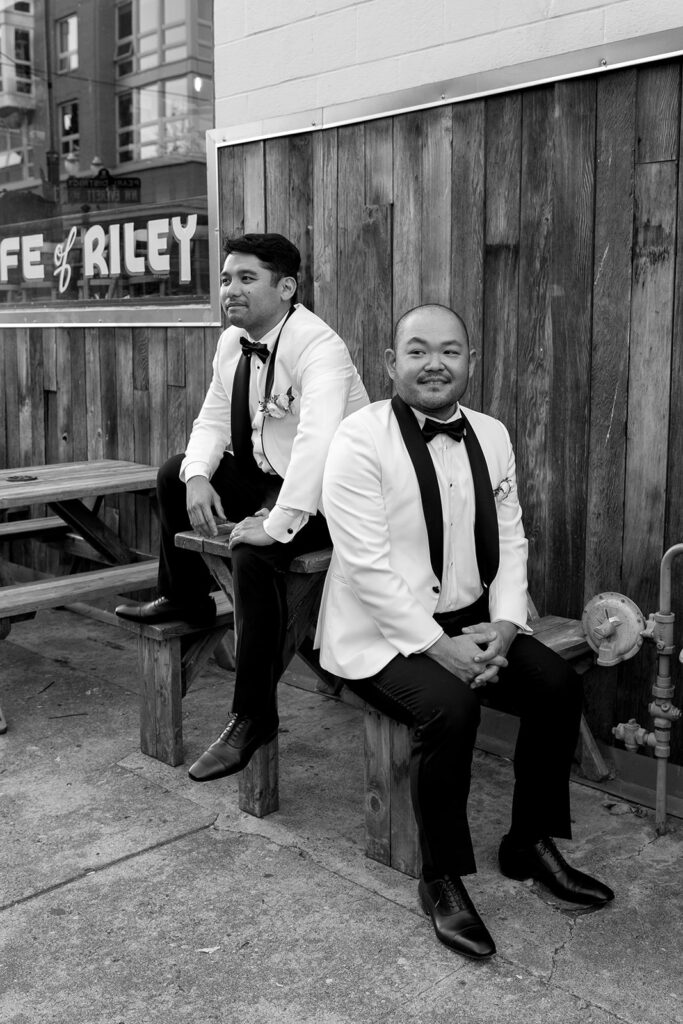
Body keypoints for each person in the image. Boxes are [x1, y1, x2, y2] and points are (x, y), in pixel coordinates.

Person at [315, 303, 613, 960]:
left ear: (469, 364)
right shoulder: (358, 438)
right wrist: (436, 647)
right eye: (416, 350)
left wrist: (506, 624)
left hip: (472, 616)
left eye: (449, 351)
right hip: (375, 628)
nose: (434, 363)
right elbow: (363, 565)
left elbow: (509, 538)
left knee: (557, 683)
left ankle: (528, 843)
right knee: (449, 710)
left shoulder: (492, 433)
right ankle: (441, 877)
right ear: (392, 364)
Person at [116, 232, 368, 782]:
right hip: (265, 470)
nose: (230, 289)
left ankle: (252, 717)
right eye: (227, 278)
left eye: (246, 278)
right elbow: (211, 418)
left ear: (286, 287)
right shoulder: (232, 341)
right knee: (172, 471)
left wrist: (274, 525)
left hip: (334, 487)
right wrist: (199, 476)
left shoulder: (321, 347)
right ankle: (187, 601)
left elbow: (318, 445)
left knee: (255, 556)